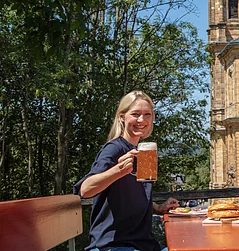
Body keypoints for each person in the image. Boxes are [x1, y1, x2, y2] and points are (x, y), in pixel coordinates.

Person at [74, 90, 179, 251]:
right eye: (135, 114)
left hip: (142, 244)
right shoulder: (113, 149)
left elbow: (133, 195)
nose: (141, 120)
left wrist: (158, 208)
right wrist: (118, 171)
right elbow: (85, 190)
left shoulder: (142, 150)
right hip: (112, 245)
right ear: (122, 116)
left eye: (147, 114)